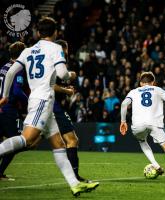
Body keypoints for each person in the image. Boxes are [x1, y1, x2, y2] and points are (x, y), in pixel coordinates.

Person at [0, 17, 99, 196]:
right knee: (27, 139)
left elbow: (11, 73)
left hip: (39, 99)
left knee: (59, 144)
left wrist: (5, 96)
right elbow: (62, 73)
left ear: (38, 33)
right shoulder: (55, 48)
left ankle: (74, 184)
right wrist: (71, 75)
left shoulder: (28, 51)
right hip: (43, 100)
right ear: (55, 33)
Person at [120, 71, 165, 182]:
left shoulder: (133, 92)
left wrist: (123, 121)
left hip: (138, 125)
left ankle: (155, 165)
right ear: (153, 82)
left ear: (141, 83)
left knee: (142, 141)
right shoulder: (157, 89)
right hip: (155, 124)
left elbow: (124, 104)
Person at [53, 39, 89, 182]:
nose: (67, 52)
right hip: (52, 106)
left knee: (31, 141)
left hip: (51, 105)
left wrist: (66, 90)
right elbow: (51, 86)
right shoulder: (56, 63)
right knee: (72, 140)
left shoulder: (52, 62)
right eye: (65, 49)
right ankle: (75, 177)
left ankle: (74, 177)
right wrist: (66, 91)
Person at [0, 42, 28, 181]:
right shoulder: (17, 69)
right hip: (8, 110)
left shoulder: (4, 67)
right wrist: (29, 102)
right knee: (14, 144)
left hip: (0, 107)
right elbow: (17, 91)